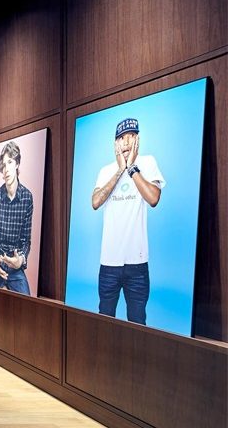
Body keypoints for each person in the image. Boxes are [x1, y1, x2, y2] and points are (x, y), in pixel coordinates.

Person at [90, 118, 164, 325]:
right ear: (115, 143)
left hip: (137, 263)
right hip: (109, 263)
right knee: (105, 321)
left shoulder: (148, 163)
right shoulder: (105, 171)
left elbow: (153, 198)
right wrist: (120, 170)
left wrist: (131, 168)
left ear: (137, 140)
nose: (126, 142)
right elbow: (95, 202)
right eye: (121, 138)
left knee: (138, 323)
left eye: (131, 136)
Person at [0, 141, 34, 295]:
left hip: (15, 266)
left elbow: (26, 240)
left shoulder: (27, 198)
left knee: (28, 304)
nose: (6, 169)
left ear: (17, 164)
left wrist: (20, 260)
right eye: (3, 165)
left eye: (10, 162)